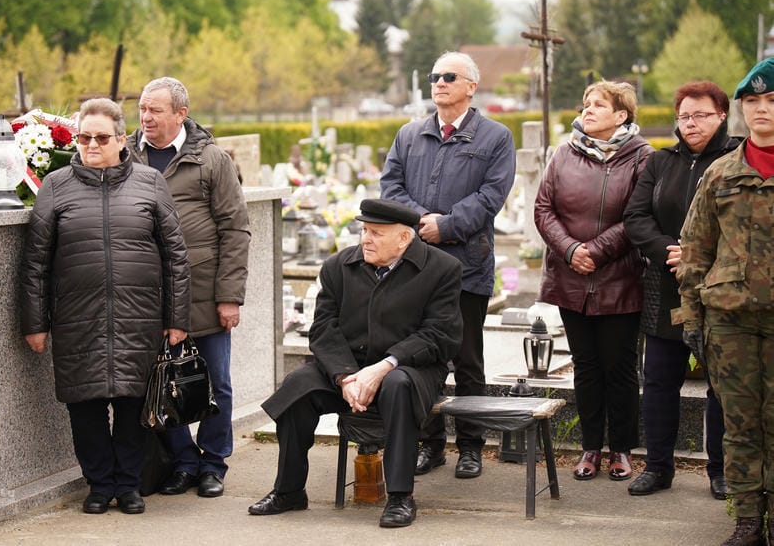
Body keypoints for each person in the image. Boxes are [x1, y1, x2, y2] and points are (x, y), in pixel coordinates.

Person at [19, 98, 191, 515]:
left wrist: (176, 319)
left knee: (134, 406)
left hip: (138, 318)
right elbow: (36, 262)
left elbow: (175, 257)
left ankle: (129, 486)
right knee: (85, 407)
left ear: (121, 139)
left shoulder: (150, 183)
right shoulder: (56, 186)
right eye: (84, 138)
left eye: (100, 137)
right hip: (78, 319)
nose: (91, 145)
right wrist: (34, 323)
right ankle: (99, 486)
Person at [248, 198, 462, 528]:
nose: (366, 239)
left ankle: (400, 496)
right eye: (364, 230)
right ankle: (289, 490)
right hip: (347, 366)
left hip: (410, 367)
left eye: (376, 233)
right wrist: (345, 376)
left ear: (404, 238)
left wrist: (384, 366)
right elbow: (323, 328)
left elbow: (439, 334)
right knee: (297, 387)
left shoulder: (442, 269)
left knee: (398, 386)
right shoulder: (338, 266)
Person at [380, 51, 516, 479]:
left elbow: (491, 196)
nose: (439, 82)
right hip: (415, 266)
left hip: (466, 268)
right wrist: (423, 223)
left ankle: (471, 447)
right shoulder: (409, 134)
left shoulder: (495, 138)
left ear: (471, 86)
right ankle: (431, 444)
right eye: (434, 76)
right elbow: (391, 186)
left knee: (468, 361)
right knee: (419, 358)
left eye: (449, 77)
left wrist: (448, 225)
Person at [126, 77, 250, 499]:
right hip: (149, 294)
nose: (145, 117)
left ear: (181, 114)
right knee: (161, 381)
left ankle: (213, 463)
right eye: (142, 109)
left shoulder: (212, 160)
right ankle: (184, 462)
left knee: (216, 382)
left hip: (203, 292)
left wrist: (229, 296)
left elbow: (235, 228)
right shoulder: (127, 156)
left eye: (155, 110)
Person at [675, 57, 774, 546]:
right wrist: (690, 318)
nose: (761, 109)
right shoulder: (720, 173)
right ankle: (748, 518)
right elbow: (694, 249)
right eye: (752, 101)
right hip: (730, 322)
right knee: (739, 425)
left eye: (771, 100)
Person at [534, 80, 653, 483]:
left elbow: (639, 214)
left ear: (621, 115)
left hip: (620, 280)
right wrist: (570, 250)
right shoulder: (564, 154)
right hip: (570, 280)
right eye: (585, 103)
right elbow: (543, 208)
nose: (587, 110)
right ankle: (590, 448)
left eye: (598, 105)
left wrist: (596, 251)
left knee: (619, 367)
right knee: (585, 367)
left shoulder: (642, 157)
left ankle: (621, 448)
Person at [624, 81, 739, 499]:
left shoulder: (736, 158)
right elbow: (636, 216)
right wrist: (667, 250)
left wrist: (699, 255)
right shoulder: (661, 161)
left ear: (722, 115)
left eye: (701, 115)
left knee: (721, 386)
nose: (691, 123)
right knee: (658, 381)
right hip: (667, 286)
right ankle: (658, 466)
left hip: (719, 289)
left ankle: (720, 470)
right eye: (684, 116)